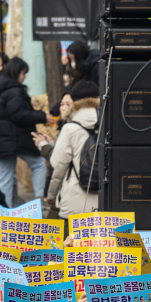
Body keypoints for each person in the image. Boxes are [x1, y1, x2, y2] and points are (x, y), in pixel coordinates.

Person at [0, 57, 51, 205]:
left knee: (4, 179)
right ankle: (40, 200)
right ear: (16, 73)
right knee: (39, 163)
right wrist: (42, 116)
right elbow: (18, 115)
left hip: (0, 141)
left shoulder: (0, 89)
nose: (25, 76)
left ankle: (5, 214)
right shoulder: (14, 91)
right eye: (23, 73)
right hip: (14, 139)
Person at [46, 81, 101, 218]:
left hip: (75, 204)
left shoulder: (70, 128)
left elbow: (58, 166)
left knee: (70, 240)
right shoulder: (110, 125)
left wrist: (51, 195)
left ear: (75, 101)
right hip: (104, 203)